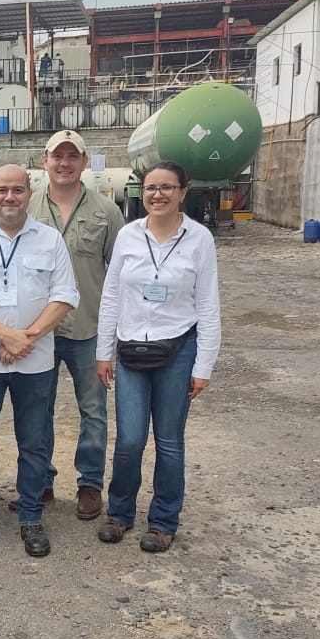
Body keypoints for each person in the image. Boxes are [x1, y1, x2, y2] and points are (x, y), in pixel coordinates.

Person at [0, 164, 78, 558]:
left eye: (17, 190)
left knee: (34, 443)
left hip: (35, 363)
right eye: (2, 190)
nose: (10, 197)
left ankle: (31, 516)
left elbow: (65, 296)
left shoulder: (50, 239)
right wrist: (6, 336)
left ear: (29, 193)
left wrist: (27, 338)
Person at [95, 161, 221, 552]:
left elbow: (208, 305)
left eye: (167, 187)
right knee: (130, 440)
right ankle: (119, 515)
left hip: (177, 350)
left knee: (169, 441)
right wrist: (103, 352)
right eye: (151, 187)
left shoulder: (199, 240)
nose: (158, 195)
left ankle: (163, 522)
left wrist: (204, 366)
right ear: (141, 192)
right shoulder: (129, 236)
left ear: (183, 192)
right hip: (131, 350)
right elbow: (112, 294)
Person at [22, 129, 124, 521]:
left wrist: (114, 334)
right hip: (38, 331)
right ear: (44, 161)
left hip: (88, 330)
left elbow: (118, 274)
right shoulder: (26, 208)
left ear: (84, 162)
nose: (63, 163)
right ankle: (40, 481)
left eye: (72, 156)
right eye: (56, 156)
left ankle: (89, 484)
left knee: (93, 410)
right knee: (37, 409)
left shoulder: (106, 212)